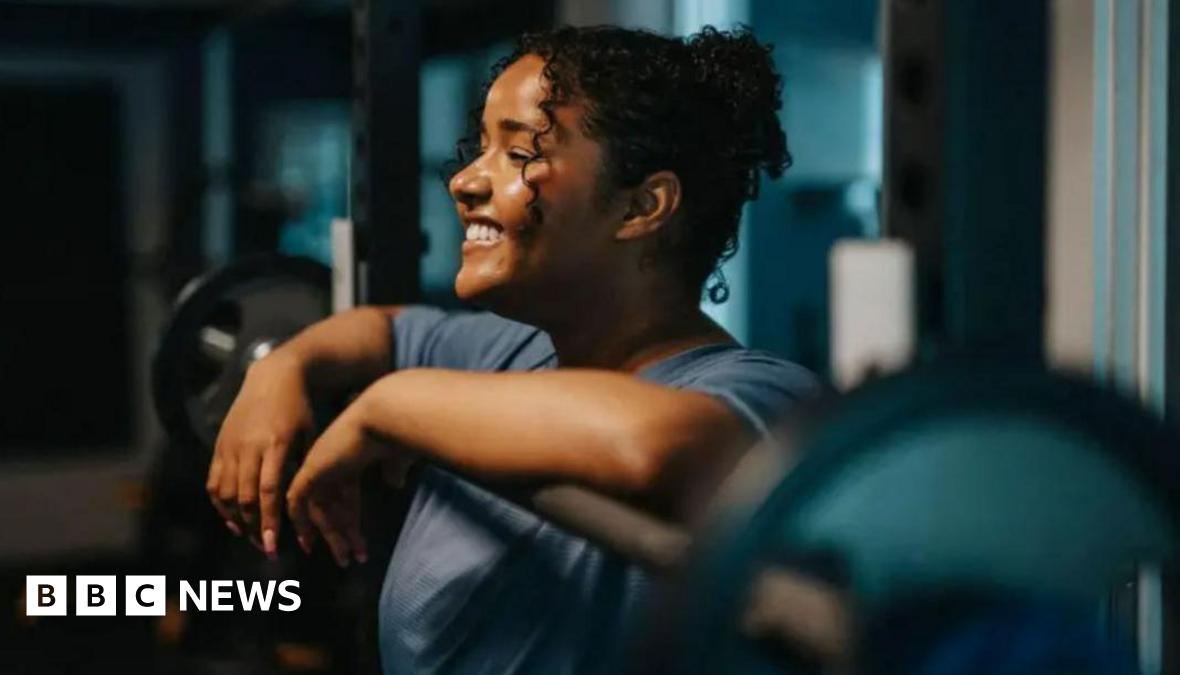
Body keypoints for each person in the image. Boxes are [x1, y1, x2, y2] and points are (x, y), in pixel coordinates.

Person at [207, 24, 818, 673]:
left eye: (520, 152)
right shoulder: (515, 351)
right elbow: (381, 330)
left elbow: (654, 444)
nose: (464, 181)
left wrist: (388, 404)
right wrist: (282, 367)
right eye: (481, 147)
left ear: (642, 205)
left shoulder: (762, 392)